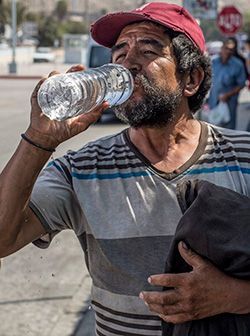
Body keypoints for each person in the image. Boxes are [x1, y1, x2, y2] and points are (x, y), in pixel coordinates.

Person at [1, 2, 250, 336]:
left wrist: (236, 296)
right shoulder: (81, 169)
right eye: (119, 53)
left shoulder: (243, 156)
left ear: (191, 79)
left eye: (148, 50)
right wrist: (38, 140)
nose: (127, 63)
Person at [208, 38, 247, 129]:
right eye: (226, 48)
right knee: (213, 128)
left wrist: (228, 95)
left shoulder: (237, 64)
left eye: (231, 49)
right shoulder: (214, 61)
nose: (228, 51)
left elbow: (241, 84)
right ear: (222, 48)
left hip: (229, 103)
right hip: (214, 101)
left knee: (228, 130)